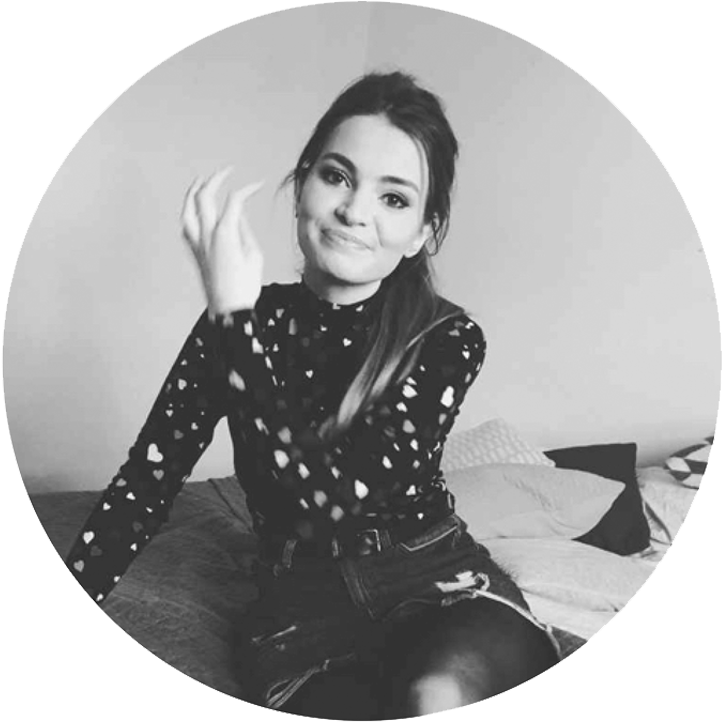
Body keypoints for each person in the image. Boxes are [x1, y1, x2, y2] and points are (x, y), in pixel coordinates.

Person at [65, 71, 560, 718]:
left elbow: (331, 504)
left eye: (394, 198)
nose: (355, 211)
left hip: (432, 579)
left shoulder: (447, 338)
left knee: (434, 697)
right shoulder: (241, 321)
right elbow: (145, 485)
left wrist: (235, 323)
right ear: (302, 186)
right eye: (337, 176)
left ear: (423, 233)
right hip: (298, 611)